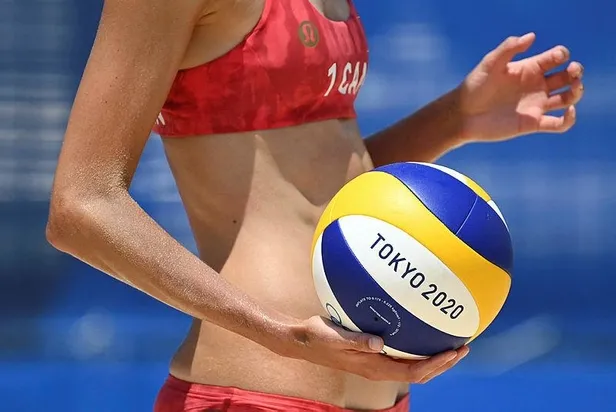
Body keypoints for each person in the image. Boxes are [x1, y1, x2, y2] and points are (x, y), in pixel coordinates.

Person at [46, 0, 584, 410]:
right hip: (253, 388)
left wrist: (456, 117)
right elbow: (81, 206)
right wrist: (282, 335)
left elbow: (322, 194)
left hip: (380, 392)